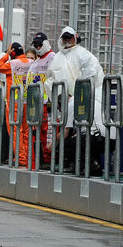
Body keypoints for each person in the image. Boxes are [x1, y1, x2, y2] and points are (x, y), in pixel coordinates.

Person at [45, 26, 107, 175]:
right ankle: (80, 163)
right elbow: (51, 77)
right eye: (64, 38)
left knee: (70, 140)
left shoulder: (83, 55)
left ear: (75, 38)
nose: (67, 41)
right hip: (97, 130)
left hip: (88, 107)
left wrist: (52, 144)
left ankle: (90, 164)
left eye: (70, 38)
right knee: (77, 134)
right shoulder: (59, 57)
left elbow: (92, 75)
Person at [0, 42, 34, 167]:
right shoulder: (31, 62)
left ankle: (21, 158)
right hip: (28, 100)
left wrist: (6, 55)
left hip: (14, 101)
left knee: (15, 130)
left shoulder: (11, 64)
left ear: (12, 52)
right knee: (27, 131)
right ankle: (29, 158)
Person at [26, 32, 55, 169]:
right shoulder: (35, 63)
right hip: (38, 103)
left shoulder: (53, 58)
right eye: (35, 45)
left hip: (51, 103)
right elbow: (29, 83)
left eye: (39, 44)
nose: (37, 47)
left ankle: (52, 159)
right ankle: (45, 160)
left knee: (50, 132)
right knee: (41, 133)